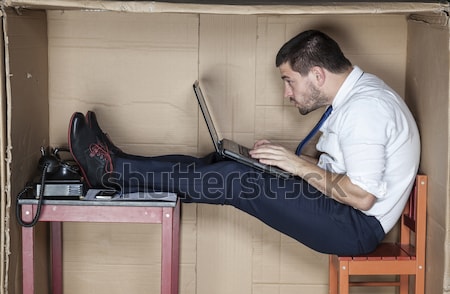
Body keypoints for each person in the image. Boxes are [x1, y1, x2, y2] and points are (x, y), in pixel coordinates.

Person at [68, 30, 420, 256]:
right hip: (337, 208)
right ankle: (117, 165)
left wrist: (295, 165)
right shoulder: (356, 97)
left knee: (235, 181)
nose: (286, 94)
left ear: (317, 74)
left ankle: (111, 170)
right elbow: (335, 162)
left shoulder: (366, 109)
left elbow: (362, 195)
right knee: (220, 165)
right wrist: (277, 162)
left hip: (353, 227)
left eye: (288, 81)